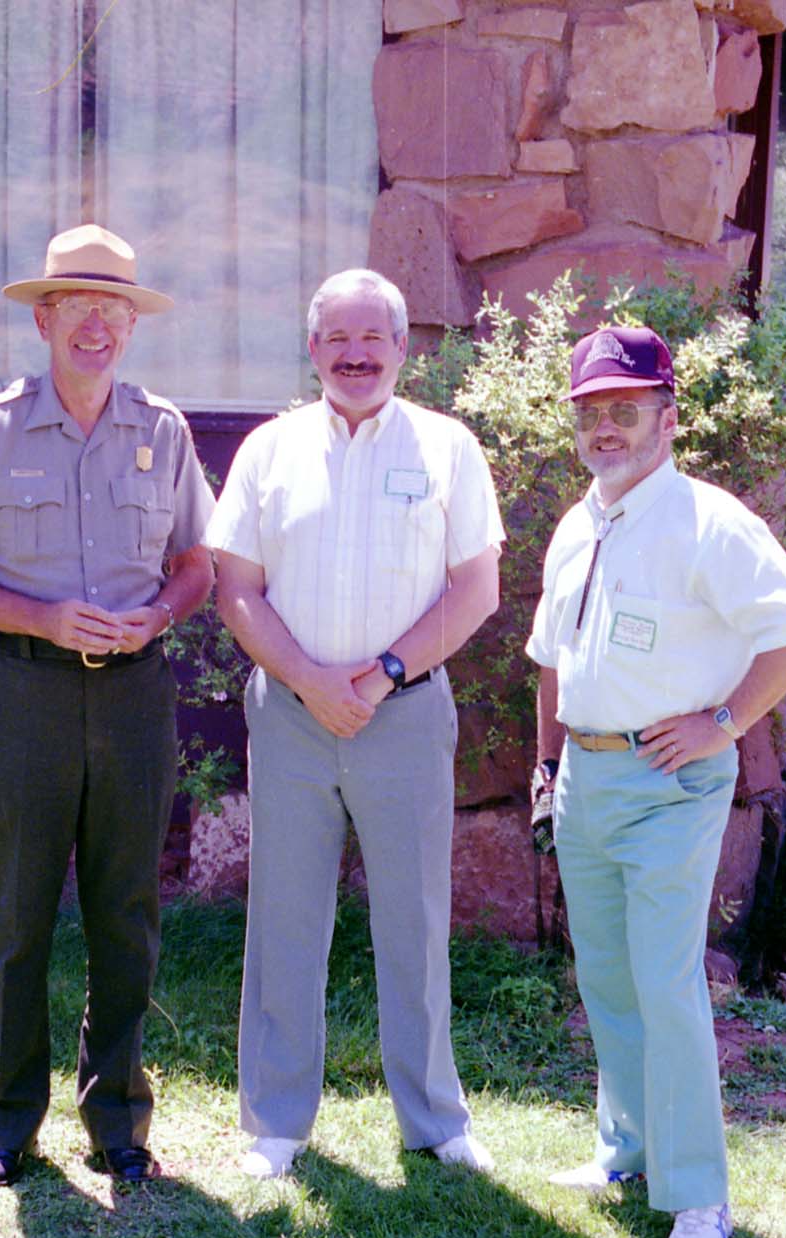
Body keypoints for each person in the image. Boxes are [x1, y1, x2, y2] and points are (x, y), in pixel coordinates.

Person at [527, 325, 786, 1238]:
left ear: (668, 417)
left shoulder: (712, 521)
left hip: (671, 780)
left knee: (665, 981)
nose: (607, 429)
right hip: (584, 776)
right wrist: (546, 766)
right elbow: (550, 660)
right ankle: (627, 1152)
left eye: (626, 410)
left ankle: (699, 1196)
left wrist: (725, 722)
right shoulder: (578, 521)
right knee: (607, 977)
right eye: (592, 413)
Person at [0, 225, 215, 1188]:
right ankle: (9, 1120)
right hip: (22, 694)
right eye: (78, 305)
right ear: (44, 317)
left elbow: (197, 565)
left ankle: (118, 1117)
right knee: (21, 912)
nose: (97, 324)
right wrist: (46, 618)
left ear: (132, 323)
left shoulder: (160, 429)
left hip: (132, 696)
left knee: (126, 908)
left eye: (115, 308)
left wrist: (158, 617)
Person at [208, 268, 504, 1179]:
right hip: (292, 719)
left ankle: (433, 1119)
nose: (356, 353)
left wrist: (376, 678)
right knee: (285, 920)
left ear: (404, 349)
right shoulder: (269, 449)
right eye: (337, 337)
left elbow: (477, 591)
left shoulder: (449, 448)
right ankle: (276, 1125)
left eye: (373, 336)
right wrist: (308, 679)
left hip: (405, 716)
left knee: (414, 922)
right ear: (312, 349)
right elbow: (236, 589)